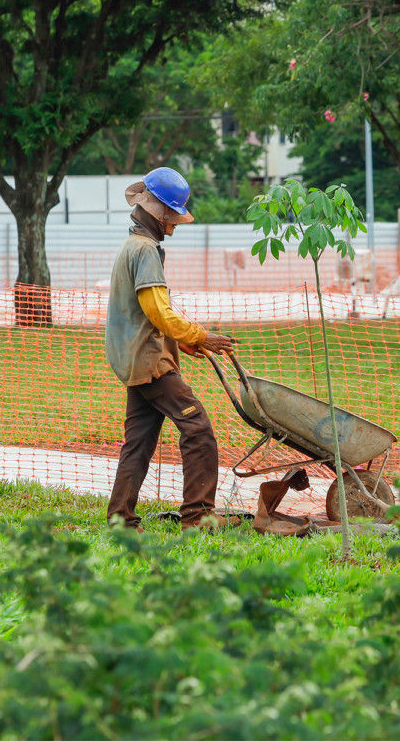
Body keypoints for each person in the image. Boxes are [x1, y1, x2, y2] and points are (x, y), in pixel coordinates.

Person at [104, 166, 237, 531]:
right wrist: (200, 336)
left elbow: (143, 312)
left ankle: (121, 520)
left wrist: (180, 340)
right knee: (198, 429)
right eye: (173, 217)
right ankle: (197, 516)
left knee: (138, 443)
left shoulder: (132, 245)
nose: (175, 226)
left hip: (134, 358)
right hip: (150, 362)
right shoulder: (145, 250)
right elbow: (158, 312)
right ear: (159, 211)